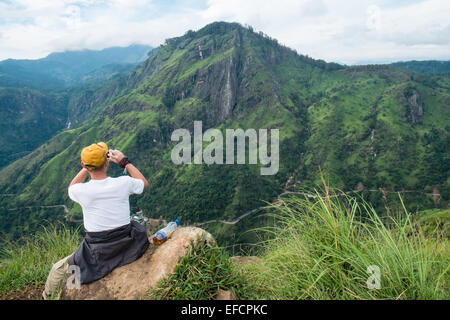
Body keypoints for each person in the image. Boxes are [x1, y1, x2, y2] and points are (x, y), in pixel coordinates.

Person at [42, 142, 149, 299]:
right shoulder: (123, 182)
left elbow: (72, 186)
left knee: (57, 269)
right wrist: (125, 162)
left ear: (84, 165)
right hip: (127, 243)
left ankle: (47, 295)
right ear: (107, 162)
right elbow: (144, 183)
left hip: (98, 249)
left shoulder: (80, 191)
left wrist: (87, 167)